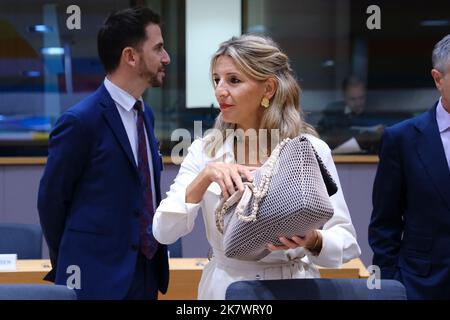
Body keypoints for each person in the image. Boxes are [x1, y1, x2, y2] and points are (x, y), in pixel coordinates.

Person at [153, 35, 361, 300]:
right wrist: (205, 177)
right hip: (226, 289)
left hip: (297, 288)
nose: (219, 90)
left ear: (269, 88)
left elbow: (347, 243)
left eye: (234, 80)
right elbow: (162, 231)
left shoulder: (310, 150)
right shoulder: (203, 153)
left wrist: (313, 240)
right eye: (216, 79)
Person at [37, 6, 171, 299]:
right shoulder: (80, 121)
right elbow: (51, 202)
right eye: (158, 48)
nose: (166, 58)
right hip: (95, 278)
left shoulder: (145, 115)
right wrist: (74, 260)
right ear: (130, 56)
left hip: (146, 273)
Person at [369, 34, 450, 299]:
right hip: (421, 284)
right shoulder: (402, 138)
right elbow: (384, 224)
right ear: (438, 79)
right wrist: (391, 285)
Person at [317, 76, 384, 153]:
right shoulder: (333, 110)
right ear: (344, 96)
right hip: (338, 157)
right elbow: (321, 135)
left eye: (361, 98)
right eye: (353, 99)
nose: (358, 103)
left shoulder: (374, 111)